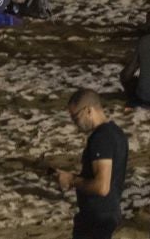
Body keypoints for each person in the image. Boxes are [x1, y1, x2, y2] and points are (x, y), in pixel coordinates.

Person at [57, 89, 128, 239]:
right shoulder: (116, 132)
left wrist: (71, 180)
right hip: (107, 212)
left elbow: (102, 187)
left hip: (97, 217)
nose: (75, 124)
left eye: (76, 118)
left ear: (89, 110)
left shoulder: (101, 138)